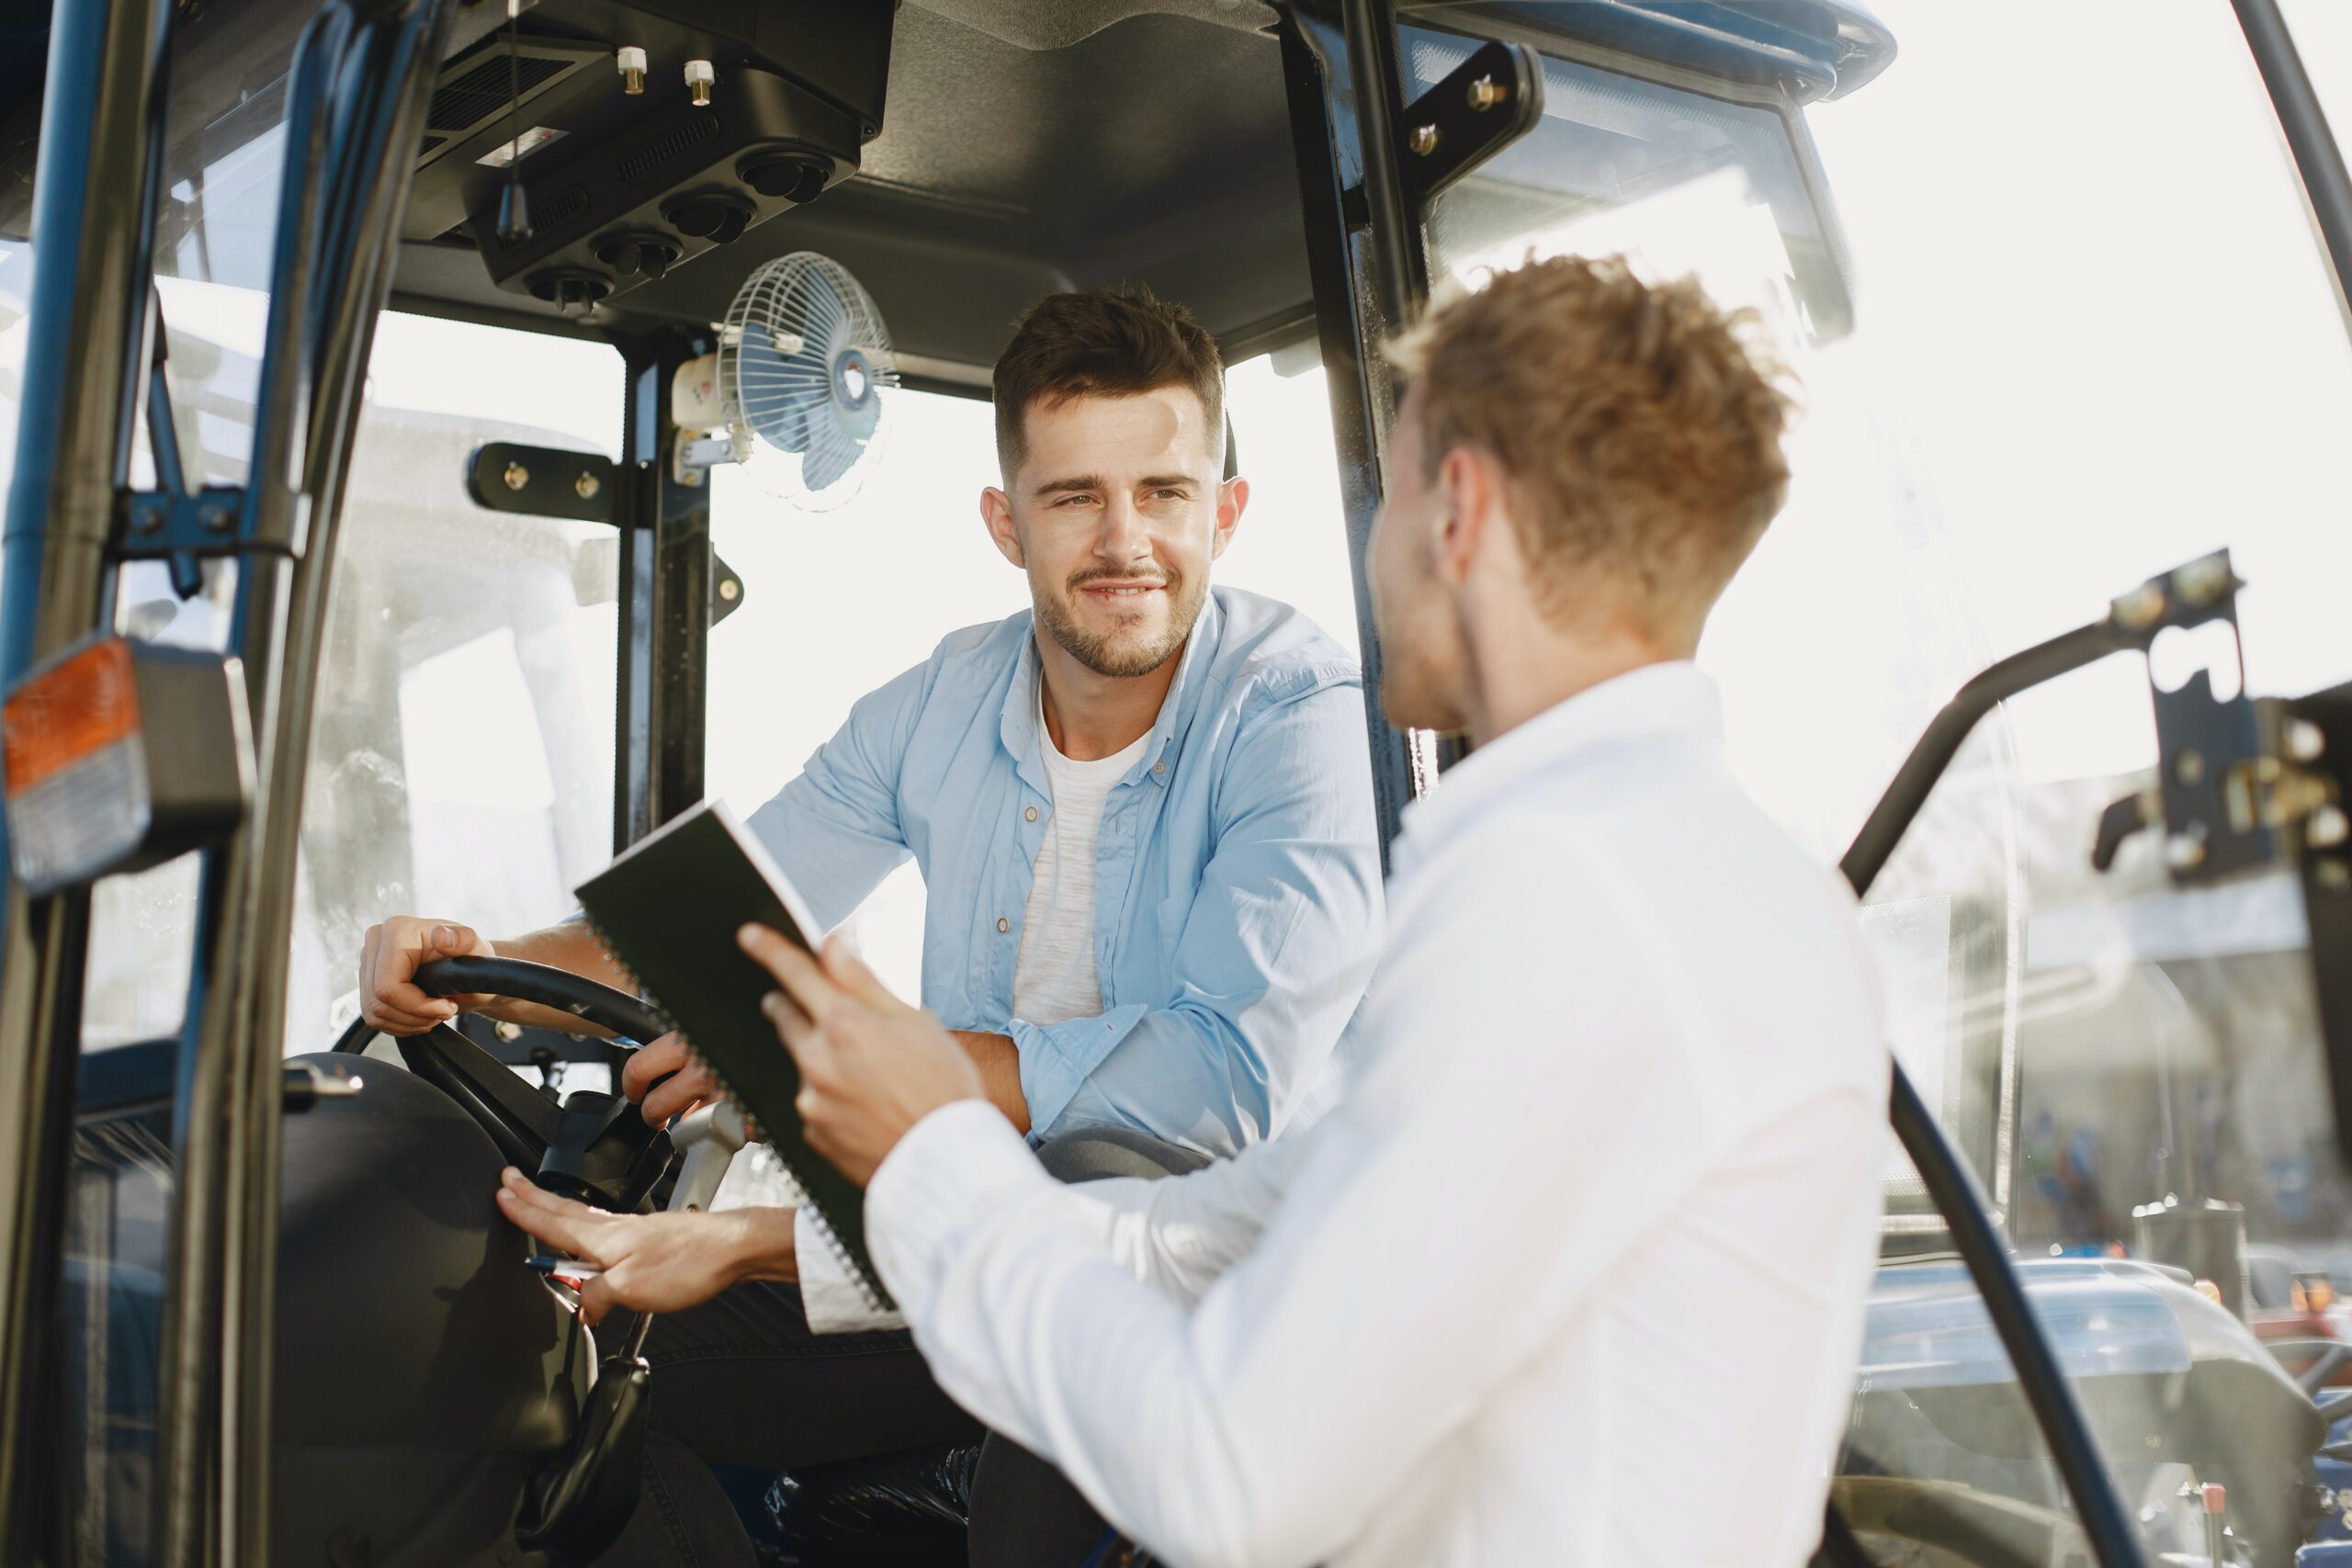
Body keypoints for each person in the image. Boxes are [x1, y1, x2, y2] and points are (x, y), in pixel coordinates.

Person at [723, 255, 1891, 1566]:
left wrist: (933, 1133)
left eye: (1380, 493)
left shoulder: (1569, 900)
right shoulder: (1710, 878)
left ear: (1457, 511)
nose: (1372, 552)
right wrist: (755, 1247)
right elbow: (1214, 1228)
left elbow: (1232, 1481)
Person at [363, 287, 1383, 1557]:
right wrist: (469, 966)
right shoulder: (940, 704)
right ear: (1006, 525)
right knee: (569, 1385)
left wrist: (880, 1078)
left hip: (1214, 1297)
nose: (1126, 540)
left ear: (1223, 511)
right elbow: (712, 935)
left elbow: (1216, 1092)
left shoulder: (1301, 720)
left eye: (1165, 493)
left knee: (1094, 1213)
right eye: (1074, 498)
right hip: (961, 1252)